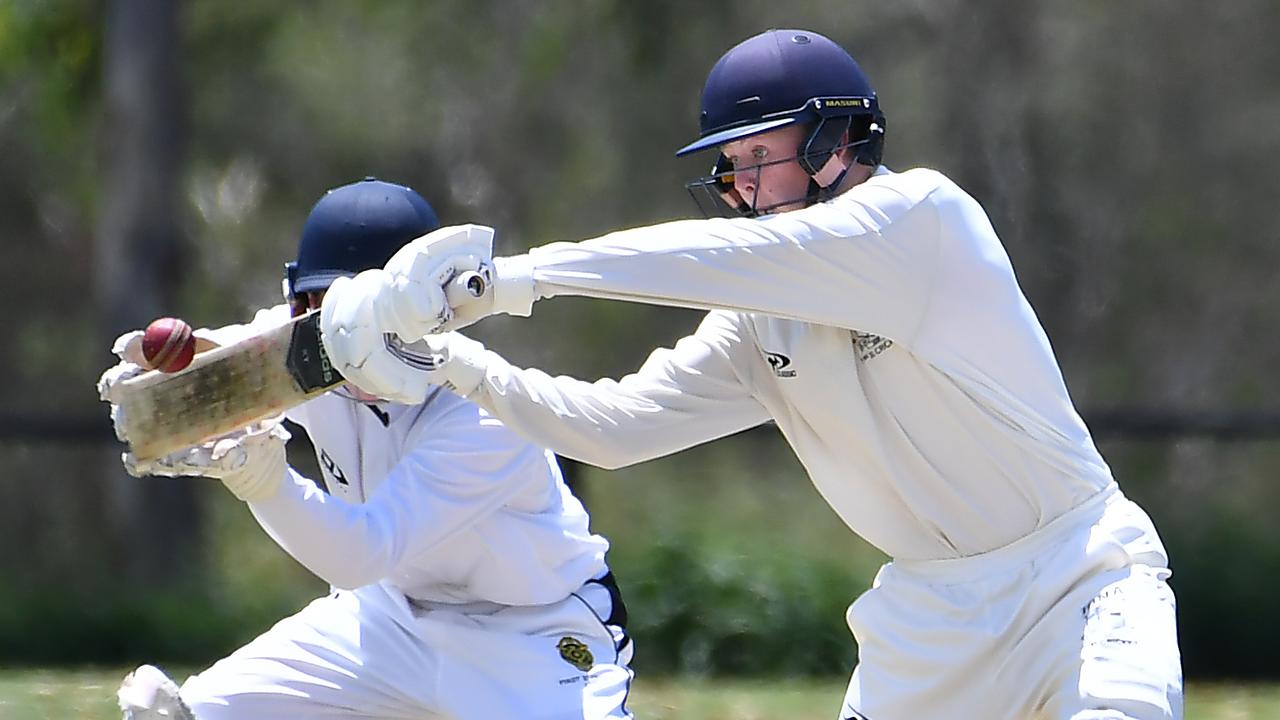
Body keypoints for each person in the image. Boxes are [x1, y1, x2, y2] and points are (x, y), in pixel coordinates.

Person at [317, 29, 1185, 720]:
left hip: (1080, 568)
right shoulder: (758, 323)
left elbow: (717, 257)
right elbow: (610, 431)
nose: (736, 187)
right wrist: (452, 359)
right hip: (932, 614)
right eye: (726, 168)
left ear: (835, 138)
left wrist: (507, 280)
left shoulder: (920, 221)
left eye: (755, 157)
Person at [98, 178, 634, 720]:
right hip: (386, 620)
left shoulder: (482, 410)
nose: (350, 335)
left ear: (432, 309)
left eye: (374, 311)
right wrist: (172, 378)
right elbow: (224, 356)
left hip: (532, 633)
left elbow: (363, 552)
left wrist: (264, 483)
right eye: (326, 308)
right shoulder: (303, 346)